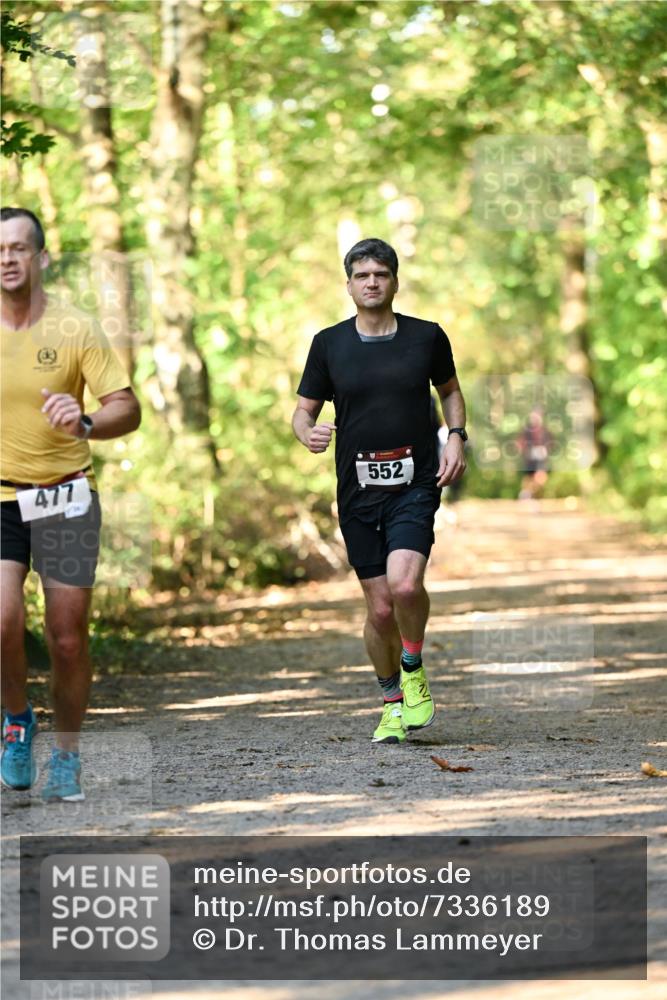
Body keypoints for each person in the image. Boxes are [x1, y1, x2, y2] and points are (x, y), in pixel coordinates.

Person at [292, 238, 466, 744]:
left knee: (405, 586)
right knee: (380, 608)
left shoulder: (426, 337)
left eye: (381, 274)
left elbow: (450, 392)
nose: (372, 282)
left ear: (394, 281)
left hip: (415, 480)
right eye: (362, 275)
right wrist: (308, 432)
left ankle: (412, 666)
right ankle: (391, 701)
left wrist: (456, 437)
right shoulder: (329, 344)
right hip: (357, 487)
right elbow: (304, 411)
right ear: (348, 284)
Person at [1, 207, 141, 801]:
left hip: (65, 495)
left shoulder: (75, 327)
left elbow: (126, 408)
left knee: (66, 637)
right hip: (1, 497)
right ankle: (15, 722)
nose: (7, 259)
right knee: (1, 619)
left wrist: (85, 421)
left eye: (18, 248)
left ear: (42, 258)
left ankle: (66, 753)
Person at [517, 407, 553, 500]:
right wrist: (526, 451)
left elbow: (550, 443)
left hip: (541, 458)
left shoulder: (545, 431)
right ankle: (527, 494)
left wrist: (545, 450)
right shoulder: (527, 431)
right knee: (528, 478)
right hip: (529, 458)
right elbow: (520, 443)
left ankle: (531, 494)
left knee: (541, 477)